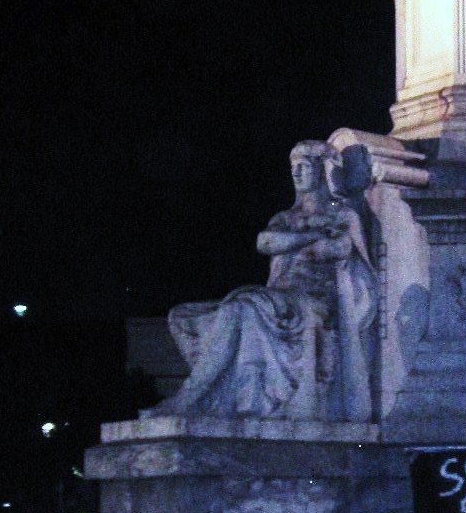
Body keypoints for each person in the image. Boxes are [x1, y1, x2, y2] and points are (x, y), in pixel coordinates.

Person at [157, 143, 377, 422]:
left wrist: (298, 242)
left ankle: (193, 395)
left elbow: (336, 250)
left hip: (316, 301)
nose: (295, 173)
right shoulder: (287, 218)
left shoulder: (343, 215)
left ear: (322, 172)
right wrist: (310, 237)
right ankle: (212, 394)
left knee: (241, 309)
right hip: (281, 298)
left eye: (303, 167)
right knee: (183, 316)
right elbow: (265, 242)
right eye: (292, 167)